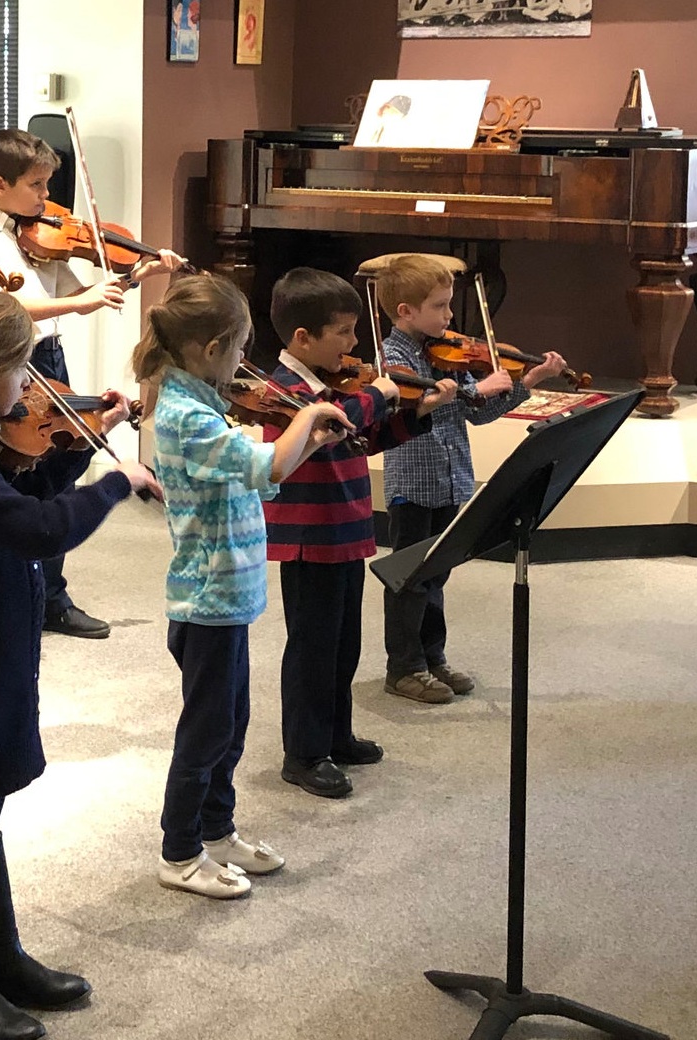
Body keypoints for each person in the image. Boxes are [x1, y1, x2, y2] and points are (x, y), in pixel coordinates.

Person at [0, 281, 159, 1040]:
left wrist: (76, 446)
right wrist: (114, 482)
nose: (32, 387)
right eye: (22, 369)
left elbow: (28, 486)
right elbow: (37, 528)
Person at [135, 274, 349, 899]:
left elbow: (265, 476)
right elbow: (268, 463)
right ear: (211, 349)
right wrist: (307, 412)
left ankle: (217, 831)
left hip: (231, 595)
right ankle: (178, 852)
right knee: (205, 732)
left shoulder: (203, 405)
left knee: (231, 721)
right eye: (238, 352)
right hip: (207, 599)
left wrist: (310, 439)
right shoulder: (185, 416)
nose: (243, 367)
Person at [0, 128, 184, 640]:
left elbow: (78, 292)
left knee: (59, 465)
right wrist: (80, 303)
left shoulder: (34, 232)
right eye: (36, 186)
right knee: (19, 472)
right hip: (10, 365)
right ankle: (17, 586)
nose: (46, 198)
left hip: (48, 356)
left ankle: (51, 594)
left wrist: (136, 273)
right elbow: (1, 310)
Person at [263, 268, 457, 799]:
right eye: (344, 333)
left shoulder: (333, 384)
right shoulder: (283, 391)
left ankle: (335, 733)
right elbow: (330, 430)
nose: (354, 344)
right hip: (310, 535)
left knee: (344, 643)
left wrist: (416, 414)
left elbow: (360, 442)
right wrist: (376, 393)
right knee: (312, 646)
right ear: (303, 338)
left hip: (347, 528)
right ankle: (303, 753)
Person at [378, 255, 566, 703]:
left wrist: (528, 381)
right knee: (409, 577)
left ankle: (432, 656)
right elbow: (411, 401)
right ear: (405, 311)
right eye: (441, 307)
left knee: (436, 574)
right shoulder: (393, 358)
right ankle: (403, 666)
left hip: (450, 480)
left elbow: (477, 415)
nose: (449, 317)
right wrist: (472, 389)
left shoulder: (449, 356)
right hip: (413, 486)